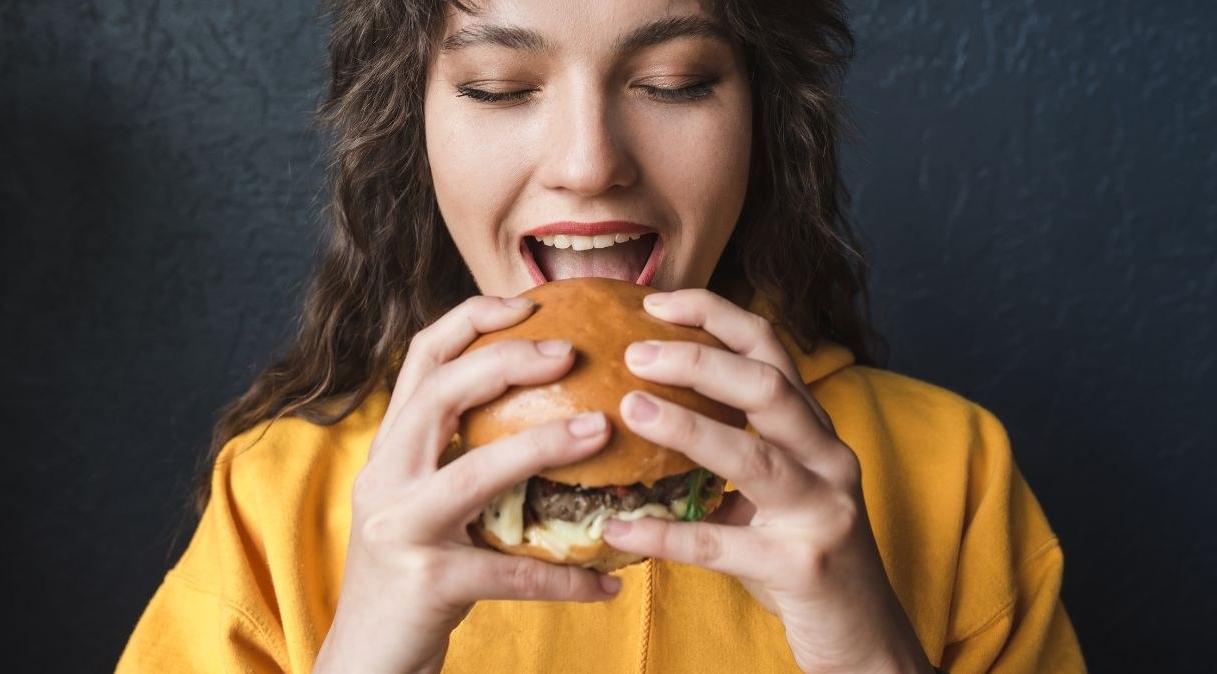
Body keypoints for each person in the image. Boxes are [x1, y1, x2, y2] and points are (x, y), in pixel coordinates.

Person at [116, 0, 1087, 672]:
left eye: (673, 81)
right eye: (498, 85)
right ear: (409, 124)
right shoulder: (281, 493)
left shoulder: (950, 470)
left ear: (763, 117)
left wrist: (869, 651)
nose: (588, 163)